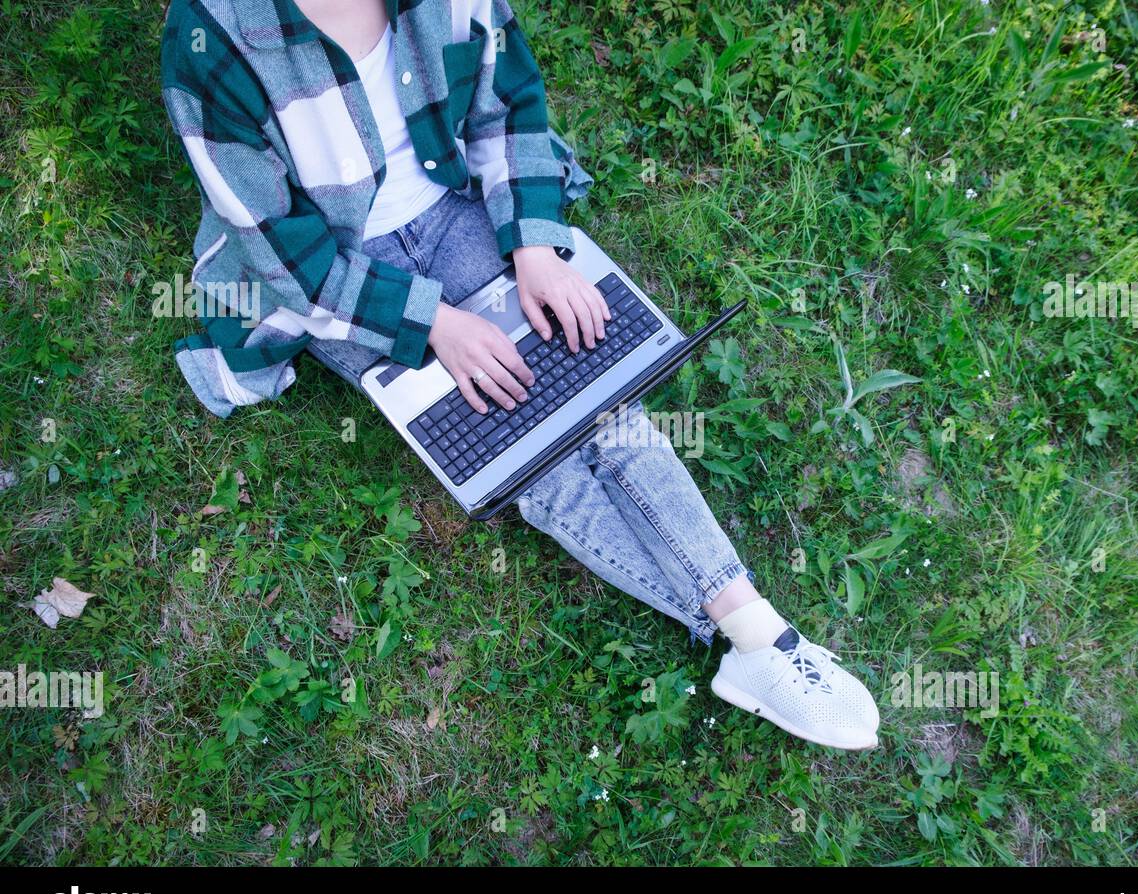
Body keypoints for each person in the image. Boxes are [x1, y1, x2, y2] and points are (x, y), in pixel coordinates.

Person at [160, 0, 880, 750]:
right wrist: (435, 323)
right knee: (528, 458)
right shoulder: (210, 41)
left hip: (452, 208)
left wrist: (534, 247)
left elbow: (509, 101)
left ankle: (757, 634)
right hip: (344, 274)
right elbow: (282, 254)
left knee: (600, 396)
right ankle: (755, 641)